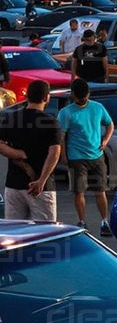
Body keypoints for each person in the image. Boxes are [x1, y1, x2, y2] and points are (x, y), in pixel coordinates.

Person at [56, 77, 113, 234]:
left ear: (88, 94)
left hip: (97, 156)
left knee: (100, 190)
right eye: (79, 97)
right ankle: (82, 221)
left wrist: (105, 140)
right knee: (79, 191)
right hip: (77, 158)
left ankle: (104, 221)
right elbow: (61, 135)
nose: (82, 100)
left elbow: (110, 124)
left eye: (84, 96)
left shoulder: (98, 107)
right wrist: (63, 155)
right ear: (73, 95)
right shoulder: (66, 113)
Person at [0, 80, 60, 221]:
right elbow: (54, 152)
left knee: (14, 231)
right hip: (41, 188)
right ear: (46, 98)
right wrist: (41, 181)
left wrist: (18, 154)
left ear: (27, 96)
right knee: (45, 231)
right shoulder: (50, 122)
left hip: (14, 185)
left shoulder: (11, 118)